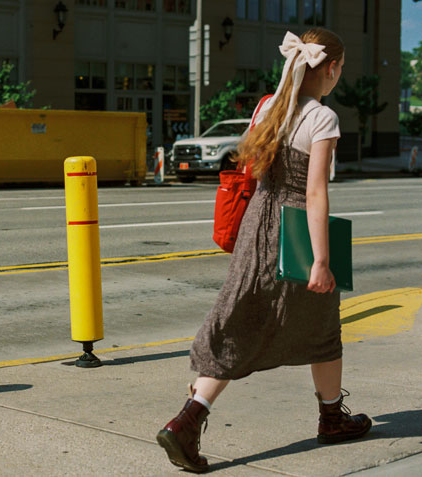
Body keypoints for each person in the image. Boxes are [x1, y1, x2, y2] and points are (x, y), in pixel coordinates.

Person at [157, 28, 372, 473]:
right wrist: (321, 260)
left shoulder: (268, 107)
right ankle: (328, 417)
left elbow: (254, 170)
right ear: (331, 69)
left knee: (242, 318)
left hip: (258, 224)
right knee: (322, 318)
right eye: (340, 70)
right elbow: (315, 194)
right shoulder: (322, 118)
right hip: (294, 229)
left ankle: (189, 418)